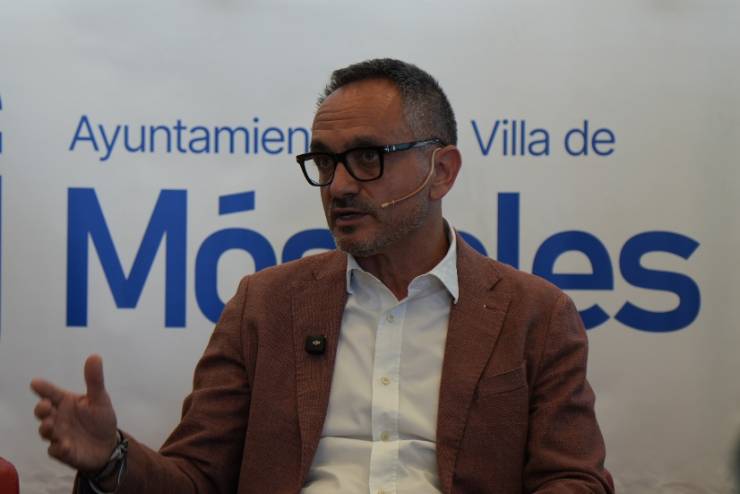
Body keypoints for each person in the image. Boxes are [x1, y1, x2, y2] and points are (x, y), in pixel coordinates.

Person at [32, 58, 614, 493]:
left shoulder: (535, 314)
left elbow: (574, 479)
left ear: (441, 170)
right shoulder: (265, 304)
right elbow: (196, 478)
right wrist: (111, 457)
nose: (338, 186)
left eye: (367, 158)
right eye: (325, 161)